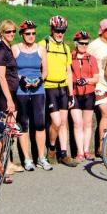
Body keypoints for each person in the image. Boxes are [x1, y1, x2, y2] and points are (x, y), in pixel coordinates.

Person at [11, 20, 53, 171]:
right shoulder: (15, 49)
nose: (31, 36)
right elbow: (11, 70)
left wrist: (40, 80)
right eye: (28, 33)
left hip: (38, 90)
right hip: (21, 90)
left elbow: (46, 70)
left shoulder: (41, 50)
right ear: (22, 34)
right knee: (23, 124)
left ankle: (41, 157)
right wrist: (21, 79)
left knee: (40, 124)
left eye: (33, 33)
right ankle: (27, 159)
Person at [39, 15, 77, 167]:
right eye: (57, 30)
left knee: (64, 123)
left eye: (63, 31)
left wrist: (71, 93)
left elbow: (68, 71)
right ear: (51, 29)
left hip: (62, 88)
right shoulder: (43, 44)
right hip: (49, 87)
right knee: (56, 121)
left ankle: (63, 153)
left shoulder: (65, 48)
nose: (60, 33)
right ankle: (52, 149)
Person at [0, 19, 24, 177]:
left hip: (12, 92)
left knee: (9, 133)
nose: (11, 34)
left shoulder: (8, 48)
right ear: (1, 33)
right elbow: (1, 77)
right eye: (8, 32)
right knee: (3, 132)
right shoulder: (1, 51)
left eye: (13, 31)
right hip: (5, 96)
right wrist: (9, 100)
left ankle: (7, 162)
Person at [87, 19, 107, 157]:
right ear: (101, 30)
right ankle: (102, 147)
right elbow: (85, 61)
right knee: (106, 114)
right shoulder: (93, 45)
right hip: (99, 85)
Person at [70, 31, 99, 162]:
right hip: (75, 93)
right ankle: (79, 152)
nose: (84, 46)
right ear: (76, 43)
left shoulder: (91, 58)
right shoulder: (70, 57)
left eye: (86, 43)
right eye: (81, 43)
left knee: (87, 123)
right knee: (77, 123)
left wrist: (86, 80)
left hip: (88, 92)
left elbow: (96, 77)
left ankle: (86, 150)